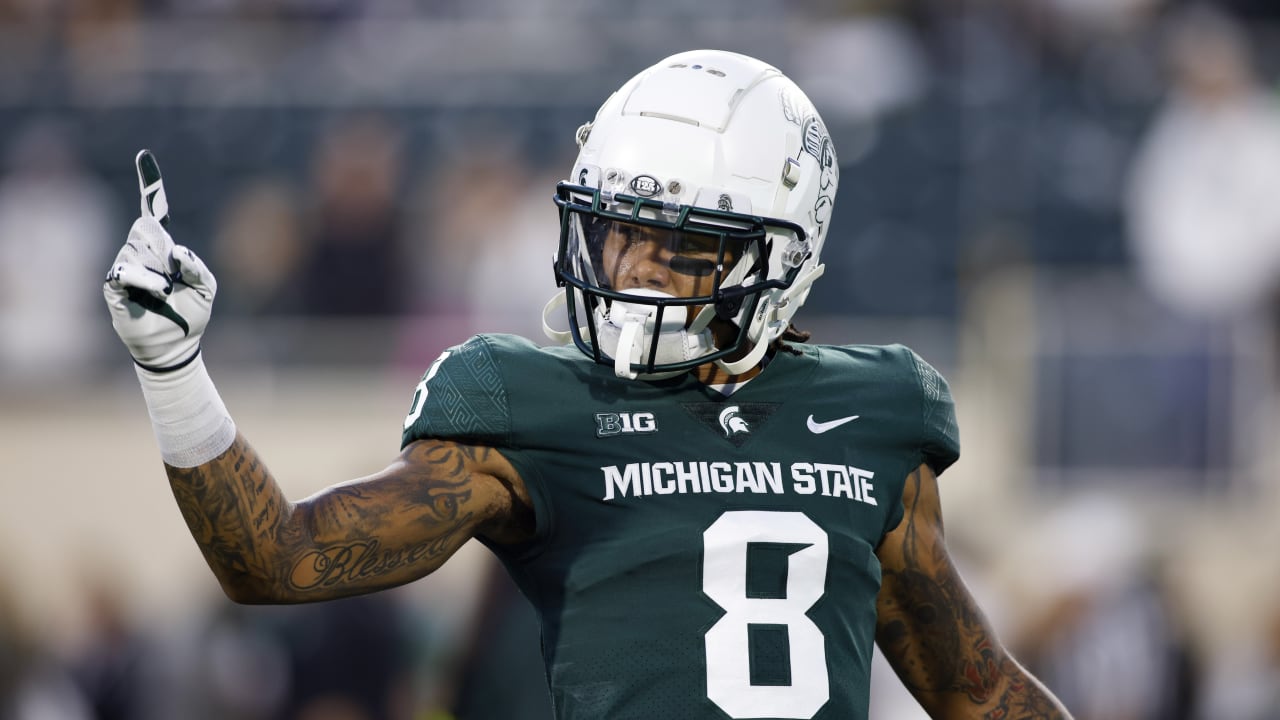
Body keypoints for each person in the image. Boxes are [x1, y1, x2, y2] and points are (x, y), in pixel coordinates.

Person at [102, 49, 1072, 720]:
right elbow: (278, 561)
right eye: (620, 232)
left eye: (684, 247)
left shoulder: (873, 416)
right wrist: (173, 369)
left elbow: (975, 693)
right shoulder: (526, 405)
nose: (640, 270)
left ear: (781, 261)